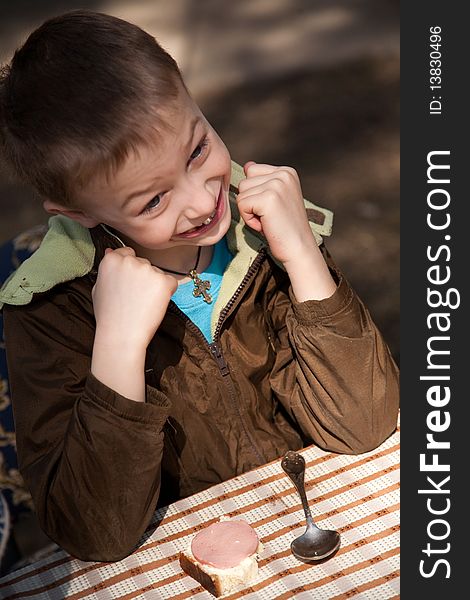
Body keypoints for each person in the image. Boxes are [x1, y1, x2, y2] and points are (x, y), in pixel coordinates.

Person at [0, 10, 399, 562]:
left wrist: (304, 254)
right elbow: (96, 534)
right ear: (77, 211)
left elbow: (365, 423)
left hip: (318, 522)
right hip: (182, 566)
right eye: (154, 200)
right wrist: (116, 348)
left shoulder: (263, 233)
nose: (202, 199)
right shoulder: (52, 308)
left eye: (197, 150)